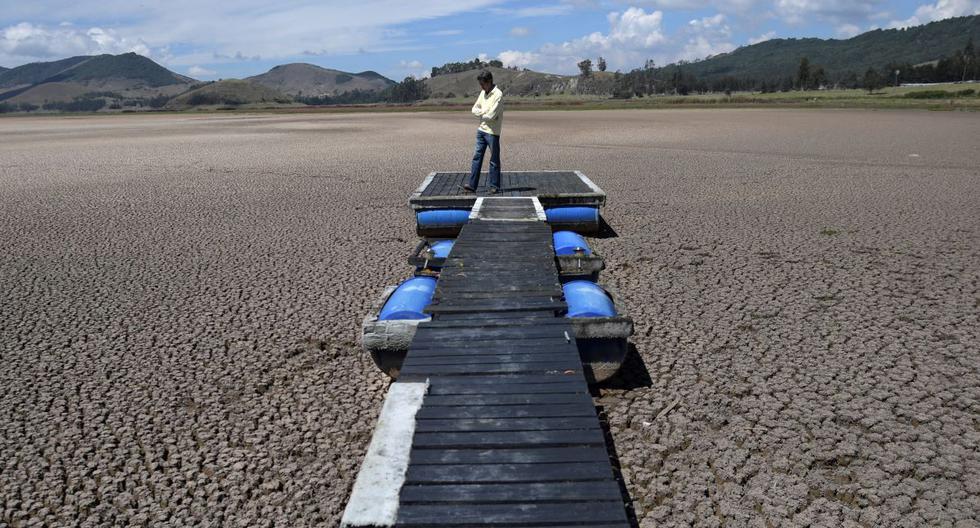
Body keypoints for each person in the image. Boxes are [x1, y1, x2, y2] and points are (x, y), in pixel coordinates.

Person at [464, 70, 504, 194]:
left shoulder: (498, 94)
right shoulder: (482, 93)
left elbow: (491, 115)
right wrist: (483, 113)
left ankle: (494, 186)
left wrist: (481, 113)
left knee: (494, 160)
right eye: (480, 84)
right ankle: (472, 185)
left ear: (489, 81)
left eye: (483, 84)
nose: (481, 86)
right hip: (481, 130)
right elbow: (474, 109)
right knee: (477, 157)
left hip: (492, 132)